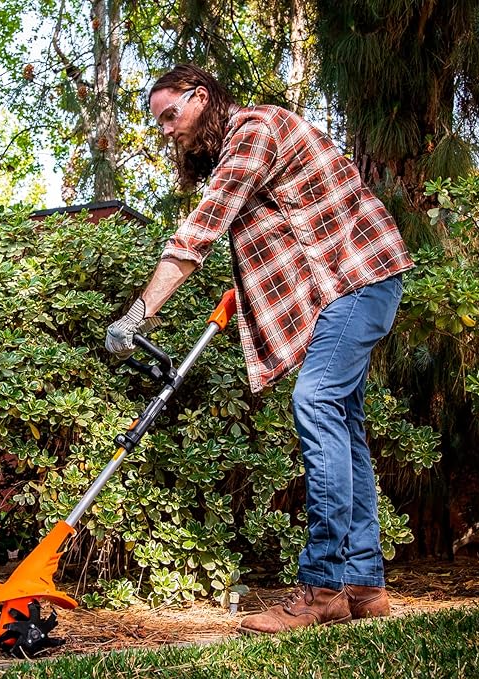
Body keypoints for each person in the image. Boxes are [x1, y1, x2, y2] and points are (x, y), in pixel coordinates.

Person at [105, 64, 414, 633]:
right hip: (348, 284)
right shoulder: (245, 142)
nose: (167, 130)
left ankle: (322, 588)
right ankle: (364, 587)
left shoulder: (254, 130)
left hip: (359, 279)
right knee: (344, 424)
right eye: (160, 123)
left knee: (315, 401)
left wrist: (139, 312)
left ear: (201, 97)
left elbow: (201, 230)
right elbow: (285, 230)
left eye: (171, 115)